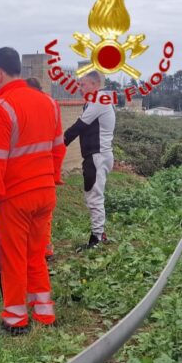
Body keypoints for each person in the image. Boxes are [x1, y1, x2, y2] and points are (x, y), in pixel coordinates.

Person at [0, 47, 66, 335]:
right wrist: (51, 178)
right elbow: (58, 149)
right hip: (45, 192)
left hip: (16, 196)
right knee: (36, 254)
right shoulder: (49, 103)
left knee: (13, 258)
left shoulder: (0, 109)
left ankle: (15, 320)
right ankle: (44, 312)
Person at [63, 70, 116, 250]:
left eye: (83, 84)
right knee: (94, 195)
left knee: (94, 196)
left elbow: (79, 126)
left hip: (97, 156)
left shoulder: (98, 100)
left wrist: (59, 143)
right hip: (100, 155)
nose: (79, 88)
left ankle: (97, 239)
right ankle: (100, 234)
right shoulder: (99, 100)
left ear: (94, 85)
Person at [26, 77, 56, 260]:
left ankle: (38, 250)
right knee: (44, 217)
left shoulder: (31, 106)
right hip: (47, 171)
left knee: (32, 216)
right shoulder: (50, 105)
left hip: (32, 172)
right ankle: (44, 249)